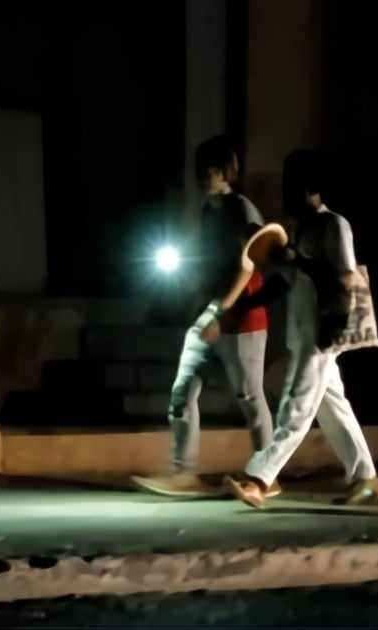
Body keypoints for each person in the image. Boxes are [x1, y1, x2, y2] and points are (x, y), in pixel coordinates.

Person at [222, 150, 378, 508]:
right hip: (304, 333)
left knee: (295, 407)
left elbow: (344, 278)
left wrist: (300, 261)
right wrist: (245, 304)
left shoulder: (334, 225)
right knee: (333, 406)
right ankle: (366, 477)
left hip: (322, 332)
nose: (285, 192)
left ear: (311, 187)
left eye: (291, 185)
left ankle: (259, 479)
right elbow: (285, 281)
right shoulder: (300, 229)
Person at [132, 136, 276, 497]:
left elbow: (248, 265)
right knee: (183, 390)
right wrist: (198, 301)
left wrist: (220, 312)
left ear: (227, 172)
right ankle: (184, 472)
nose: (204, 179)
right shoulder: (208, 212)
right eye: (201, 172)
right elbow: (210, 263)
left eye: (211, 172)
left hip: (241, 316)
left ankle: (268, 475)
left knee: (250, 397)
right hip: (210, 311)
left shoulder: (241, 208)